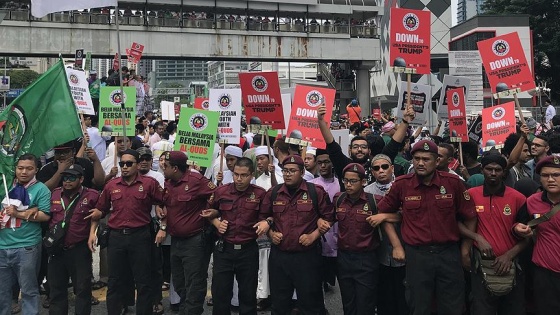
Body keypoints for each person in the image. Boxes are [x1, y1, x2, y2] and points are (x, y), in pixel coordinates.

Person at [378, 140, 477, 315]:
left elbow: (470, 216)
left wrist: (465, 249)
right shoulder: (402, 184)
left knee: (452, 306)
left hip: (448, 254)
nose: (420, 163)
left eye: (426, 159)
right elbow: (382, 214)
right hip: (417, 256)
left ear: (437, 161)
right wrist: (397, 246)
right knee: (419, 305)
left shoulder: (453, 183)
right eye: (416, 159)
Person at [89, 149, 165, 315]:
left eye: (129, 163)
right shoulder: (111, 186)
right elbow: (100, 210)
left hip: (140, 236)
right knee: (115, 280)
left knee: (144, 280)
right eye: (122, 163)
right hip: (116, 237)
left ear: (137, 165)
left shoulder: (149, 184)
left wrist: (163, 222)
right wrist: (92, 231)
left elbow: (165, 202)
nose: (124, 167)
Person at [260, 155, 334, 314]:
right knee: (280, 303)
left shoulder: (316, 192)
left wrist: (313, 236)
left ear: (302, 172)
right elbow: (263, 217)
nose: (287, 174)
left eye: (292, 171)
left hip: (307, 257)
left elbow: (329, 218)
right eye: (285, 171)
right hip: (280, 257)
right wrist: (271, 233)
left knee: (311, 303)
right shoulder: (274, 193)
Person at [201, 157, 270, 315]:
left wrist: (265, 223)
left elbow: (266, 216)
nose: (239, 179)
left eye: (244, 175)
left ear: (251, 175)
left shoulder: (259, 194)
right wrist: (216, 222)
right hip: (224, 249)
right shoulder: (221, 191)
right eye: (236, 174)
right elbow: (208, 212)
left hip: (248, 250)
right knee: (220, 295)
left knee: (247, 296)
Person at [465, 151, 529, 314]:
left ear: (504, 172)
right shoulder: (471, 195)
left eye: (498, 169)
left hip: (511, 265)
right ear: (482, 170)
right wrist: (477, 237)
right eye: (489, 169)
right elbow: (458, 224)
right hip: (481, 266)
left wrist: (508, 256)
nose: (493, 173)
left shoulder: (518, 198)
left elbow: (527, 236)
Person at [159, 151, 216, 315]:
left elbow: (216, 194)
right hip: (176, 240)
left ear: (175, 168)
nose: (163, 167)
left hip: (195, 241)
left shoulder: (196, 180)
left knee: (194, 282)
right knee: (178, 281)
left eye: (166, 165)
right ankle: (185, 309)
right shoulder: (168, 182)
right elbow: (165, 202)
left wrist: (210, 212)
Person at [0, 154, 51, 315]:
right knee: (2, 292)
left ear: (36, 169)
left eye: (29, 168)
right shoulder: (6, 186)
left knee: (29, 290)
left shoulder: (40, 189)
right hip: (2, 246)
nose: (24, 172)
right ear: (15, 169)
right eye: (20, 168)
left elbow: (45, 215)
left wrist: (19, 214)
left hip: (27, 247)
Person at [47, 165, 100, 315]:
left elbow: (99, 214)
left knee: (83, 289)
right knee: (56, 290)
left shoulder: (92, 195)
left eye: (72, 178)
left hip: (79, 249)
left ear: (81, 179)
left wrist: (93, 232)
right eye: (65, 178)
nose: (67, 181)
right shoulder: (54, 194)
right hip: (57, 250)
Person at [514, 155, 560, 315]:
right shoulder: (532, 201)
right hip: (544, 272)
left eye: (556, 175)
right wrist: (518, 229)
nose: (551, 179)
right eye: (546, 175)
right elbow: (519, 223)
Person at [364, 154, 408, 315]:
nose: (381, 171)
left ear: (392, 168)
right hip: (380, 253)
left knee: (405, 298)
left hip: (406, 249)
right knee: (384, 298)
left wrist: (383, 216)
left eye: (384, 167)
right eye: (376, 168)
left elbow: (411, 215)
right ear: (372, 172)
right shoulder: (366, 192)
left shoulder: (405, 186)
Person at [37, 140, 104, 191]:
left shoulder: (84, 163)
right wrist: (60, 171)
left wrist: (96, 160)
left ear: (74, 151)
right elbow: (44, 190)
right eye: (58, 152)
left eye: (66, 152)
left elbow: (99, 183)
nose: (62, 155)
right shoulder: (47, 168)